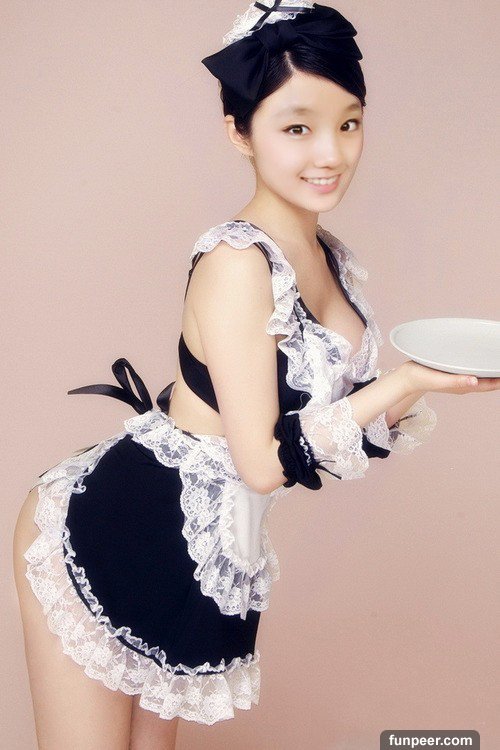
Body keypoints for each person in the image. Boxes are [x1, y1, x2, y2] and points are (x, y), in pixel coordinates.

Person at [12, 1, 500, 748]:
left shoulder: (327, 254)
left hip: (210, 548)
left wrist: (427, 382)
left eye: (349, 123)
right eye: (297, 128)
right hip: (114, 529)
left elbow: (328, 423)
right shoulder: (238, 263)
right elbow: (265, 462)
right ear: (239, 132)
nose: (331, 153)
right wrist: (406, 383)